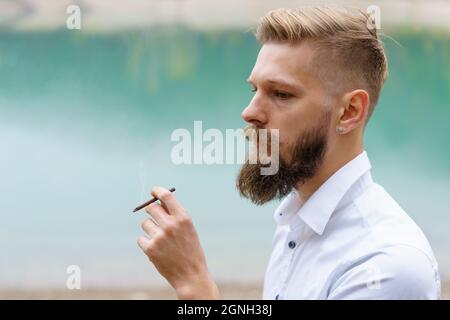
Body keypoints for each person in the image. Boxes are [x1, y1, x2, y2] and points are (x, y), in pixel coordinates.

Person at [137, 7, 440, 299]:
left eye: (281, 94)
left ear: (349, 112)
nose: (249, 112)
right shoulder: (295, 222)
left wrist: (194, 283)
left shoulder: (387, 266)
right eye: (253, 90)